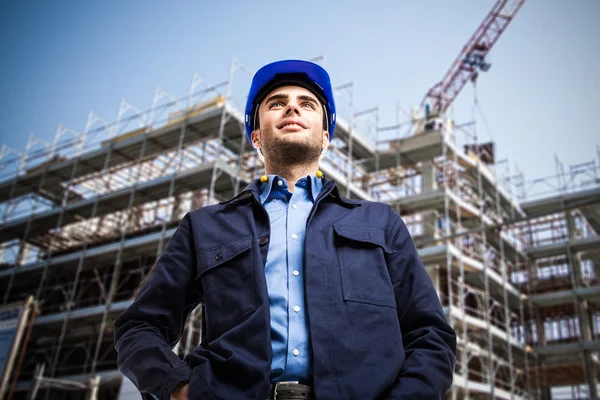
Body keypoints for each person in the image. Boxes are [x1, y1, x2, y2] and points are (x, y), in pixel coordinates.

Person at [114, 60, 456, 400]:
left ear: (325, 136)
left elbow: (429, 335)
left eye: (306, 104)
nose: (292, 107)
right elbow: (139, 327)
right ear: (256, 136)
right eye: (276, 103)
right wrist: (179, 390)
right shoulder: (204, 227)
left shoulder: (380, 223)